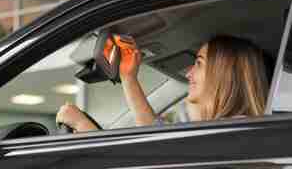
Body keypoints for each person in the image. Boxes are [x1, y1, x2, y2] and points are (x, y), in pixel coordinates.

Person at [56, 35, 269, 132]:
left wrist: (82, 125)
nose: (189, 73)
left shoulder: (228, 135)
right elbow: (155, 138)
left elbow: (145, 161)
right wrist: (129, 78)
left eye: (199, 63)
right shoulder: (233, 132)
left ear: (222, 74)